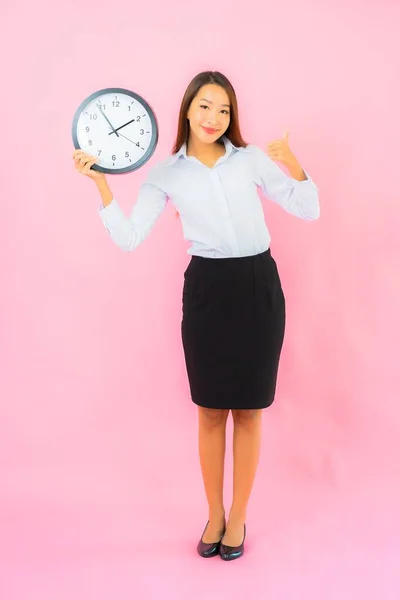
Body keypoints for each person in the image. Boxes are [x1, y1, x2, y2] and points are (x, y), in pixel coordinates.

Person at [72, 70, 320, 562]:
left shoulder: (248, 160)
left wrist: (294, 165)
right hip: (206, 290)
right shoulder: (165, 174)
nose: (214, 117)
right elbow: (129, 236)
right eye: (206, 106)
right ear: (187, 109)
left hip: (257, 288)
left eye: (224, 109)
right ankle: (214, 514)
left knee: (248, 410)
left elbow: (307, 208)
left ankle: (240, 517)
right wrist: (100, 185)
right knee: (210, 411)